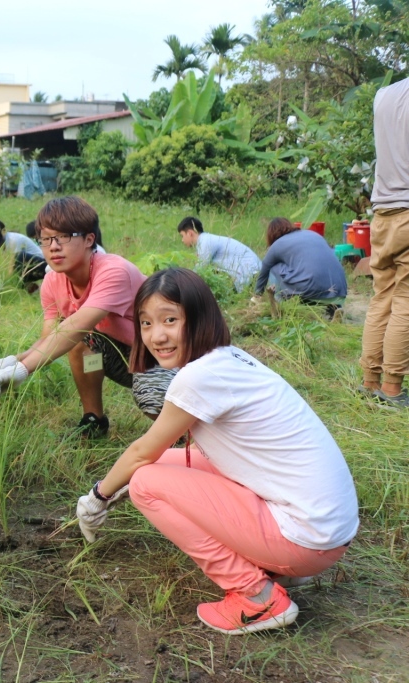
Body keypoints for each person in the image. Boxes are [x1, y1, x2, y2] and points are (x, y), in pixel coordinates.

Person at [76, 268, 358, 635]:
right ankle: (275, 568)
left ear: (199, 318)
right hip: (326, 529)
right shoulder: (228, 358)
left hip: (307, 540)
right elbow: (155, 453)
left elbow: (142, 452)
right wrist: (116, 481)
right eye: (145, 323)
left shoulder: (198, 377)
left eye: (170, 320)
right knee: (157, 466)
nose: (156, 335)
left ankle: (257, 595)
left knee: (145, 481)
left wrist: (99, 496)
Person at [0, 196, 173, 436]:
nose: (53, 246)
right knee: (83, 344)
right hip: (129, 355)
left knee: (149, 394)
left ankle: (185, 435)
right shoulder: (51, 282)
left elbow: (78, 325)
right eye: (46, 239)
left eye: (64, 237)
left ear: (89, 239)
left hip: (169, 358)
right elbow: (52, 336)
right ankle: (94, 419)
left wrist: (23, 370)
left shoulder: (113, 271)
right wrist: (12, 362)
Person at [360, 76, 409, 409]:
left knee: (382, 298)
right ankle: (392, 389)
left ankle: (369, 381)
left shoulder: (384, 95)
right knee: (405, 300)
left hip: (382, 212)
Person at [254, 218, 347, 319]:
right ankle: (334, 309)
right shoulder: (312, 234)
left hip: (310, 292)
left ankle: (280, 307)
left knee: (273, 266)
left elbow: (264, 271)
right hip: (340, 291)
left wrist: (257, 296)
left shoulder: (277, 244)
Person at [177, 216, 261, 291]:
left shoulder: (205, 241)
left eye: (182, 236)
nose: (182, 240)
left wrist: (181, 283)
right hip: (252, 271)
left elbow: (199, 269)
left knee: (206, 276)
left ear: (190, 233)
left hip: (251, 272)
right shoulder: (206, 240)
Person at [0, 219, 47, 292]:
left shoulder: (12, 240)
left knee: (18, 267)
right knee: (18, 273)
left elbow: (13, 262)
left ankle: (38, 289)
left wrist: (7, 282)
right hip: (28, 264)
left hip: (43, 262)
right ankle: (36, 290)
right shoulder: (0, 245)